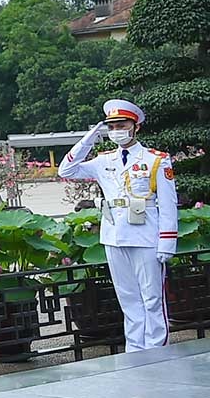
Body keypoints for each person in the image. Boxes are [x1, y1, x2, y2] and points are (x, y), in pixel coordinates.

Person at [60, 100, 179, 352]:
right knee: (128, 299)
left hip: (146, 237)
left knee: (152, 298)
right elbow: (66, 170)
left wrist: (167, 242)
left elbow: (168, 204)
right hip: (114, 236)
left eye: (122, 125)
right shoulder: (104, 160)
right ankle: (135, 350)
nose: (117, 130)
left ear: (136, 127)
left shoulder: (155, 160)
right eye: (112, 126)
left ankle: (157, 350)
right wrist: (88, 140)